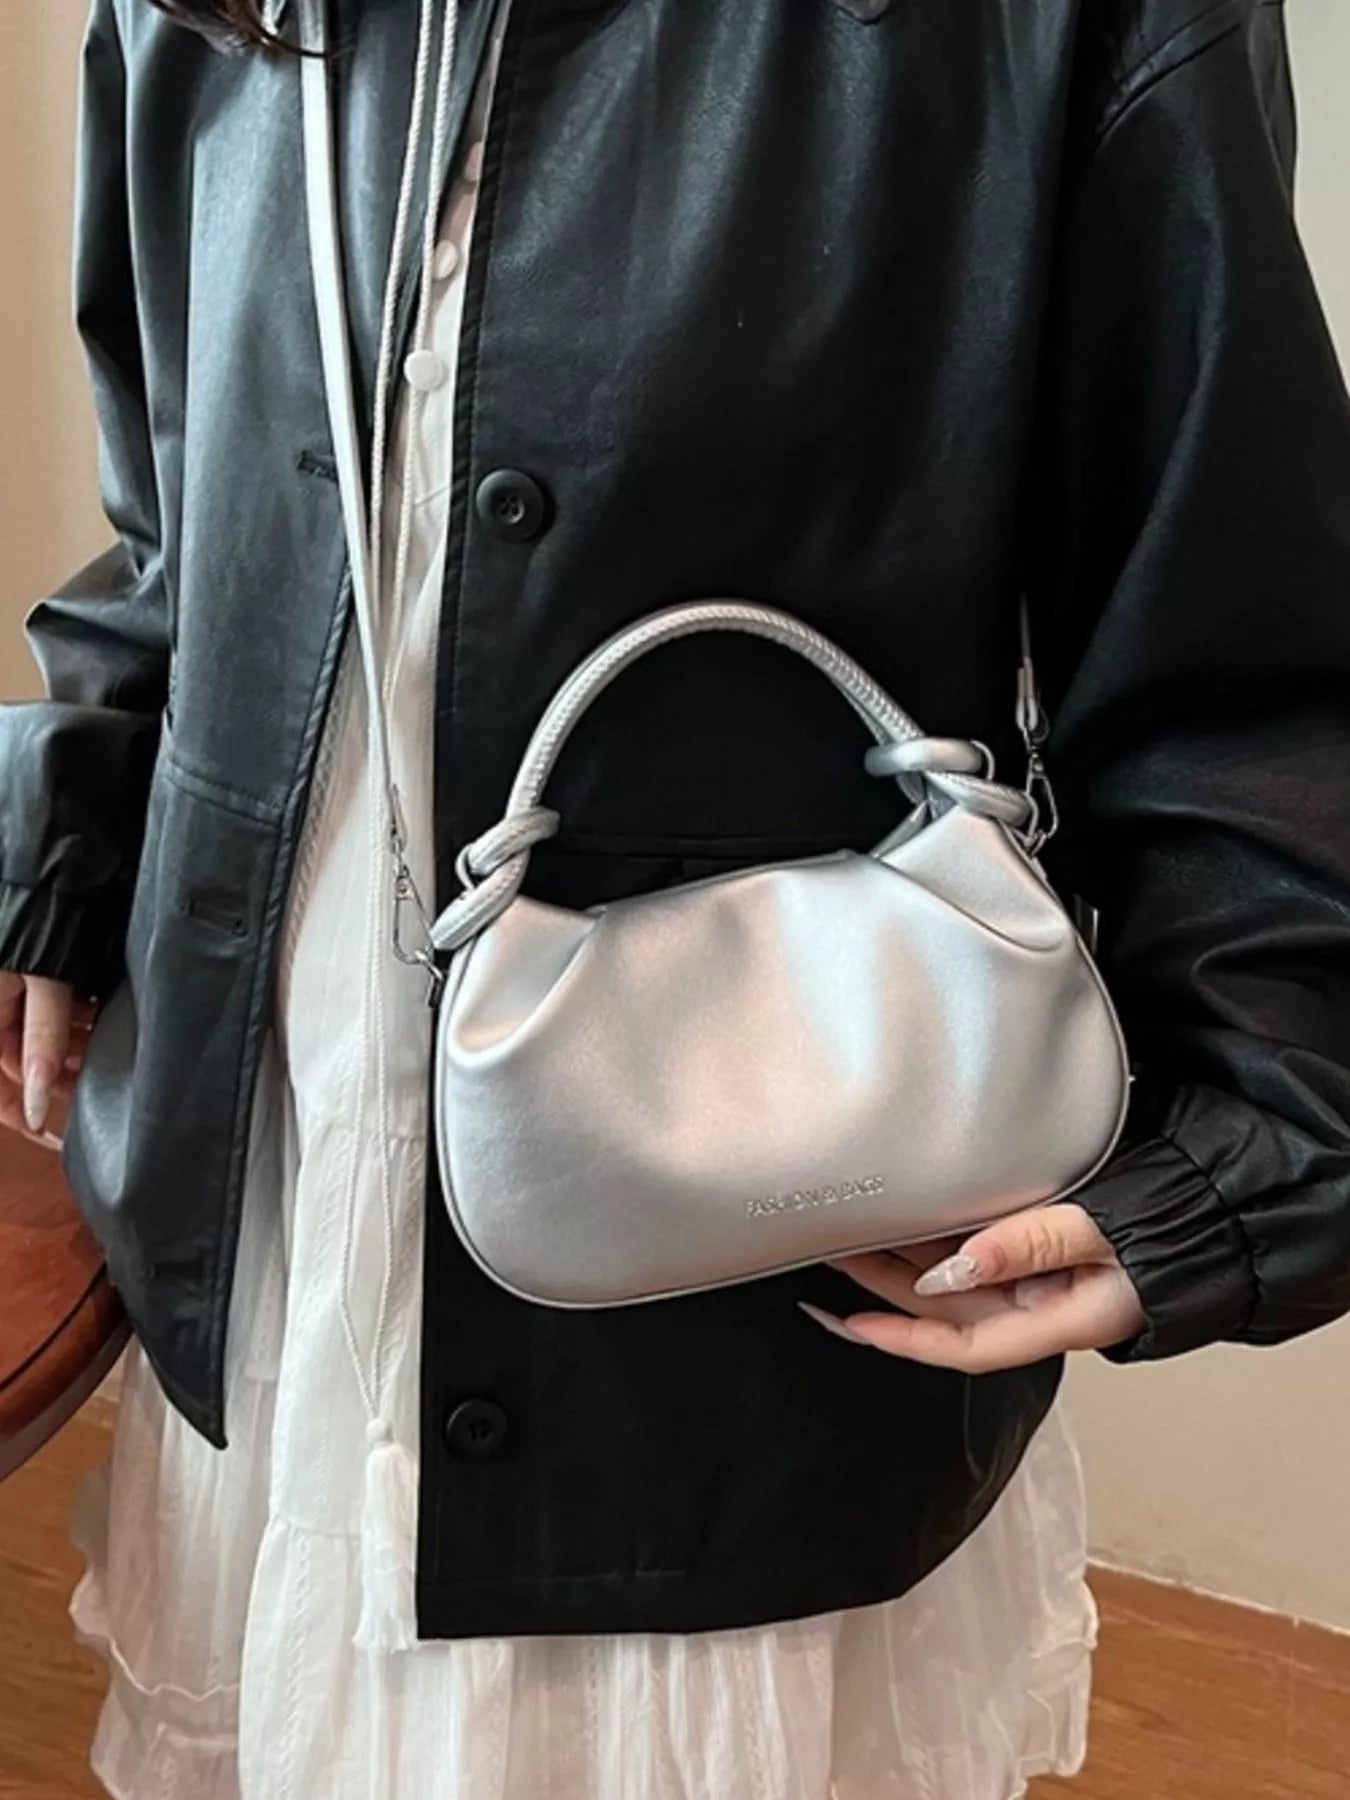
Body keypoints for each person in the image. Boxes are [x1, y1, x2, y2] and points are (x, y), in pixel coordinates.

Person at [3, 0, 1350, 1793]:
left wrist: (1248, 1143)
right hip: (280, 1162)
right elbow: (177, 485)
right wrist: (70, 833)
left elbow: (1228, 603)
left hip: (740, 1242)